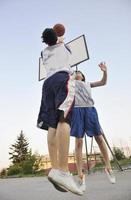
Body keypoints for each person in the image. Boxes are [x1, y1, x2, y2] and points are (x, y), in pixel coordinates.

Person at [37, 28, 83, 195]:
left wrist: (55, 36)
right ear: (57, 38)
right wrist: (61, 35)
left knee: (52, 124)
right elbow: (62, 41)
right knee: (64, 119)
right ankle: (63, 171)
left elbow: (54, 40)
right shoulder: (64, 47)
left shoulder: (44, 52)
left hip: (47, 84)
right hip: (62, 79)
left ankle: (55, 168)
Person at [70, 62, 116, 192]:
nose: (77, 73)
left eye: (79, 72)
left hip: (89, 110)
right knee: (78, 142)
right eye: (75, 73)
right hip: (77, 111)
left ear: (83, 77)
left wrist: (105, 71)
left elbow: (103, 82)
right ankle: (80, 175)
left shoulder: (88, 84)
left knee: (99, 139)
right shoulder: (71, 84)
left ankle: (108, 168)